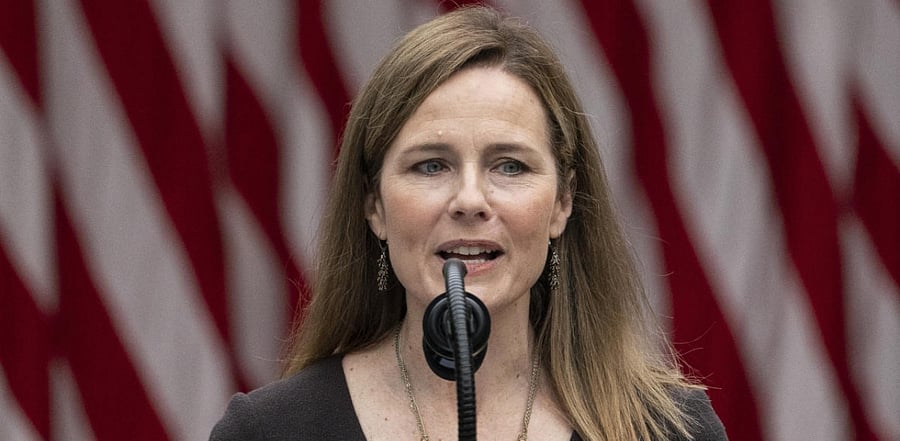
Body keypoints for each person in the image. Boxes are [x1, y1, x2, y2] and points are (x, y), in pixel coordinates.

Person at [210, 5, 727, 441]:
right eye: (431, 165)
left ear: (563, 203)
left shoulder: (668, 430)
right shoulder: (268, 431)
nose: (470, 200)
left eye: (510, 165)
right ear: (374, 206)